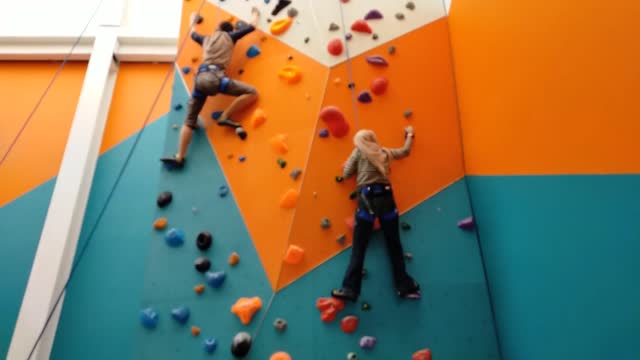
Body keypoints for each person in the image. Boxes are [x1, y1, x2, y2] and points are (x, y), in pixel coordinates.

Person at [161, 7, 261, 169]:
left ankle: (180, 156)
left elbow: (192, 32)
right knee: (252, 92)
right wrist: (255, 14)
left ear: (217, 29)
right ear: (230, 31)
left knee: (189, 121)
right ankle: (225, 116)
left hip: (199, 80)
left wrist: (192, 16)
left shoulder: (206, 39)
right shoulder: (231, 37)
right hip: (216, 79)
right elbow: (252, 26)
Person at [331, 126, 421, 302]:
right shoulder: (385, 152)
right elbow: (405, 151)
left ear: (359, 142)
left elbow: (346, 173)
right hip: (387, 200)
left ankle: (350, 289)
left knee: (359, 248)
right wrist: (410, 134)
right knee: (394, 245)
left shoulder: (358, 153)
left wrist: (360, 167)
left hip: (367, 202)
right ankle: (404, 285)